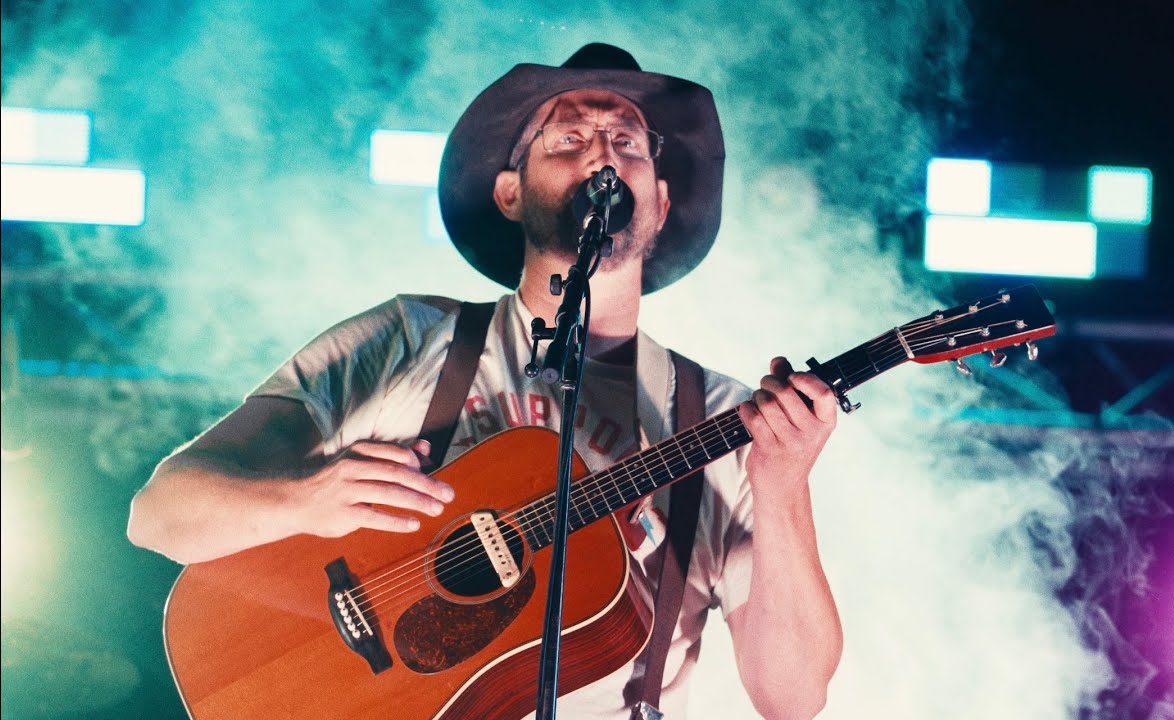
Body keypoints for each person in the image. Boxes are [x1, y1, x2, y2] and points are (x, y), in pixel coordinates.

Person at [128, 43, 842, 719]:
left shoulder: (722, 417)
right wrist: (304, 501)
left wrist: (784, 487)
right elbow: (159, 514)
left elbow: (793, 698)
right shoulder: (409, 338)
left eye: (627, 143)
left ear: (658, 203)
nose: (602, 153)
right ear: (509, 192)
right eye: (569, 139)